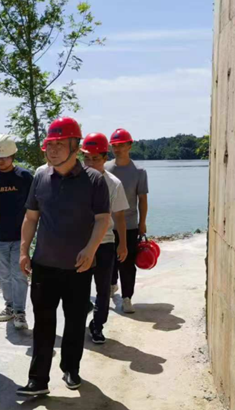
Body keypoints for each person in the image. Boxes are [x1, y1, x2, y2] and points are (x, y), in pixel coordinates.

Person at [16, 117, 111, 396]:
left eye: (60, 144)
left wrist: (91, 249)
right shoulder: (40, 177)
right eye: (50, 144)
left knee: (74, 321)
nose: (53, 150)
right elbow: (31, 217)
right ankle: (38, 380)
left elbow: (103, 219)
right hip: (44, 265)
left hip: (78, 267)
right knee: (43, 324)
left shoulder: (94, 180)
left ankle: (71, 368)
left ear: (75, 146)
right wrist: (24, 251)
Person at [81, 133, 129, 344]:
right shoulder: (74, 180)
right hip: (80, 243)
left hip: (105, 243)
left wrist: (123, 244)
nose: (90, 163)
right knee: (79, 287)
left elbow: (119, 216)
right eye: (86, 158)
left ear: (105, 158)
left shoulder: (114, 183)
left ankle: (98, 326)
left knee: (103, 289)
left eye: (95, 158)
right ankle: (79, 320)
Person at [0, 134, 34, 330]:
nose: (0, 161)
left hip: (20, 236)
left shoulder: (24, 177)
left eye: (4, 157)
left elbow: (35, 205)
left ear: (13, 156)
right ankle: (9, 306)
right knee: (4, 275)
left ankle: (20, 312)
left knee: (19, 274)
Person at [105, 128, 149, 314]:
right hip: (107, 225)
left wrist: (142, 223)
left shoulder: (139, 172)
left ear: (130, 146)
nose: (117, 149)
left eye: (121, 145)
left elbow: (142, 199)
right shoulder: (105, 168)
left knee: (128, 263)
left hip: (130, 225)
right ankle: (111, 284)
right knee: (109, 261)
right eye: (114, 145)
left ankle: (127, 298)